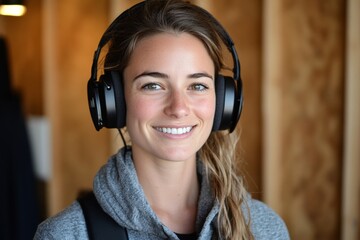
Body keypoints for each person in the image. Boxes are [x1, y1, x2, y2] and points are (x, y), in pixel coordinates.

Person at [34, 0, 290, 239]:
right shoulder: (67, 234)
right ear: (115, 103)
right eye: (153, 85)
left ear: (223, 101)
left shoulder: (264, 227)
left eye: (198, 86)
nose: (178, 108)